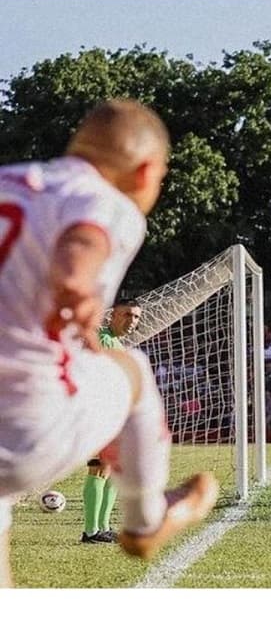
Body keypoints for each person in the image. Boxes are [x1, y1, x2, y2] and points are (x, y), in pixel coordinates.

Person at [0, 100, 218, 586]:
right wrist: (75, 288)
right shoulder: (105, 199)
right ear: (146, 172)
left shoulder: (12, 179)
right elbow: (83, 244)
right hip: (24, 428)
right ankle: (146, 519)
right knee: (131, 368)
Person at [79, 299, 143, 544]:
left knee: (111, 469)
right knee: (98, 467)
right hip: (98, 413)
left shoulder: (116, 343)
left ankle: (102, 527)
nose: (132, 321)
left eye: (136, 317)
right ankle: (91, 531)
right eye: (127, 314)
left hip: (113, 414)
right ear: (112, 317)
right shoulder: (104, 339)